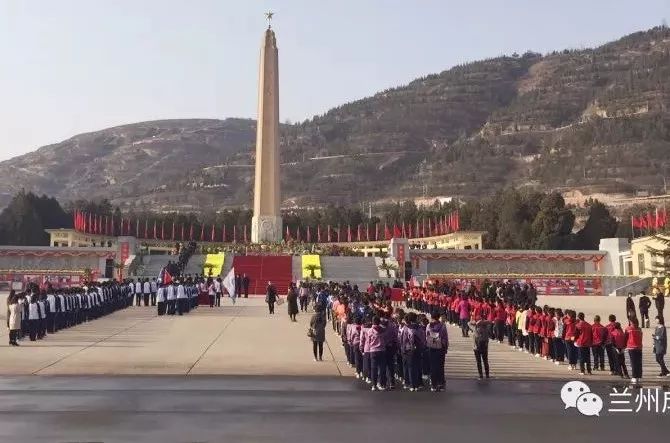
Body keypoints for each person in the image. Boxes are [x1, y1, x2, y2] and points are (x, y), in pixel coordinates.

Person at [426, 312, 448, 391]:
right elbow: (445, 337)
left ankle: (433, 385)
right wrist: (445, 348)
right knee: (440, 366)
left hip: (431, 348)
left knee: (432, 366)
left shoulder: (428, 326)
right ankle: (441, 384)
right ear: (438, 317)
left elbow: (426, 336)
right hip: (440, 347)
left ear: (432, 317)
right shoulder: (442, 325)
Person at [367, 316, 387, 391]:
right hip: (382, 350)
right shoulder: (383, 330)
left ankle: (373, 385)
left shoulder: (370, 331)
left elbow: (368, 341)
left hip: (373, 351)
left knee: (374, 368)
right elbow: (385, 339)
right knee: (382, 368)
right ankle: (381, 383)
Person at [625, 317, 643, 383]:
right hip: (639, 347)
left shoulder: (628, 329)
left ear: (631, 322)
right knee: (639, 363)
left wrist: (624, 346)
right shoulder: (639, 329)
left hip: (631, 347)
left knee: (633, 363)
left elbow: (626, 338)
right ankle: (639, 376)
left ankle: (634, 376)